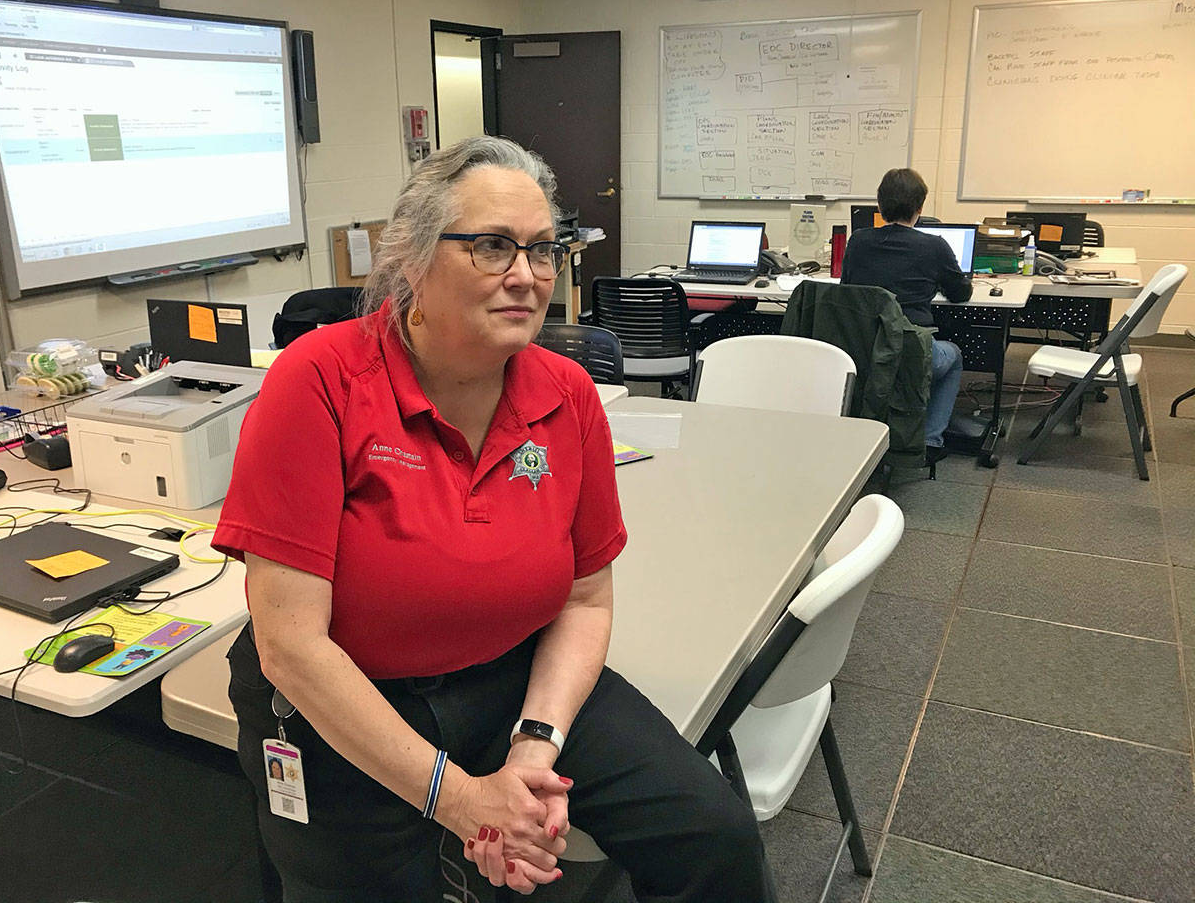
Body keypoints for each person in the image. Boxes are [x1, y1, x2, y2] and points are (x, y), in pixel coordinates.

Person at [213, 136, 769, 902]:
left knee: (714, 837)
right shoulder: (321, 380)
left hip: (516, 676)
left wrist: (535, 748)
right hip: (345, 701)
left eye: (544, 251)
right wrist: (465, 802)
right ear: (409, 260)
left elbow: (584, 599)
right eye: (492, 246)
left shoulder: (567, 394)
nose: (526, 277)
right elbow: (292, 648)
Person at [840, 167, 972, 462]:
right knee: (953, 355)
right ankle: (930, 441)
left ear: (879, 205)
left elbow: (847, 289)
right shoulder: (934, 245)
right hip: (910, 353)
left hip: (863, 350)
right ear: (920, 207)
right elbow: (961, 293)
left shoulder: (858, 241)